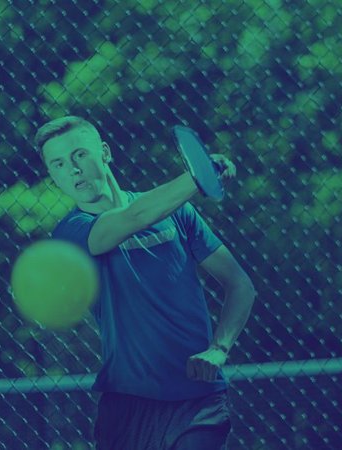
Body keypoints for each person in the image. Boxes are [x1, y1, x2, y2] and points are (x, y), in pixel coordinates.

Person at [33, 116, 256, 450]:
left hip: (200, 400)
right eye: (59, 164)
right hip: (127, 405)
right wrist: (199, 176)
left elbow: (241, 285)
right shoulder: (71, 233)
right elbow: (134, 217)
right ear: (53, 175)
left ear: (105, 152)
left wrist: (219, 349)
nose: (73, 170)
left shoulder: (177, 213)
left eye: (79, 155)